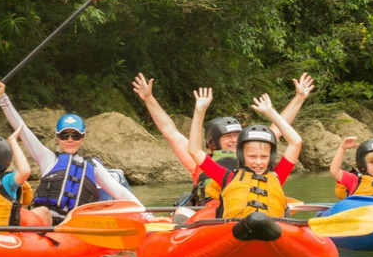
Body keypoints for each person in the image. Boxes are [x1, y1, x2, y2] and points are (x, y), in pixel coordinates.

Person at [132, 72, 314, 206]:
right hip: (213, 209)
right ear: (213, 143)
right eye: (228, 137)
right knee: (183, 211)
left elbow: (282, 132)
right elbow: (170, 132)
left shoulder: (255, 153)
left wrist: (299, 98)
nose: (234, 140)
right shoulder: (205, 163)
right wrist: (149, 99)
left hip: (255, 207)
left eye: (237, 136)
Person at [0, 80, 146, 224]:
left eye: (76, 135)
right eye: (65, 135)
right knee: (42, 211)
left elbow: (121, 193)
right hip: (44, 223)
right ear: (58, 138)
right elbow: (22, 129)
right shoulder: (47, 159)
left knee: (72, 215)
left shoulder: (94, 167)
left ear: (83, 138)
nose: (70, 139)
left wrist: (147, 217)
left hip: (73, 226)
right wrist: (2, 99)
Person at [187, 87, 304, 219]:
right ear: (242, 156)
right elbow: (194, 150)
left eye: (264, 157)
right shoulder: (227, 178)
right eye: (252, 156)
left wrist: (271, 113)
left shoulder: (278, 176)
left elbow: (296, 142)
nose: (258, 162)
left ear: (270, 157)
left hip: (270, 229)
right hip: (237, 230)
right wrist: (199, 110)